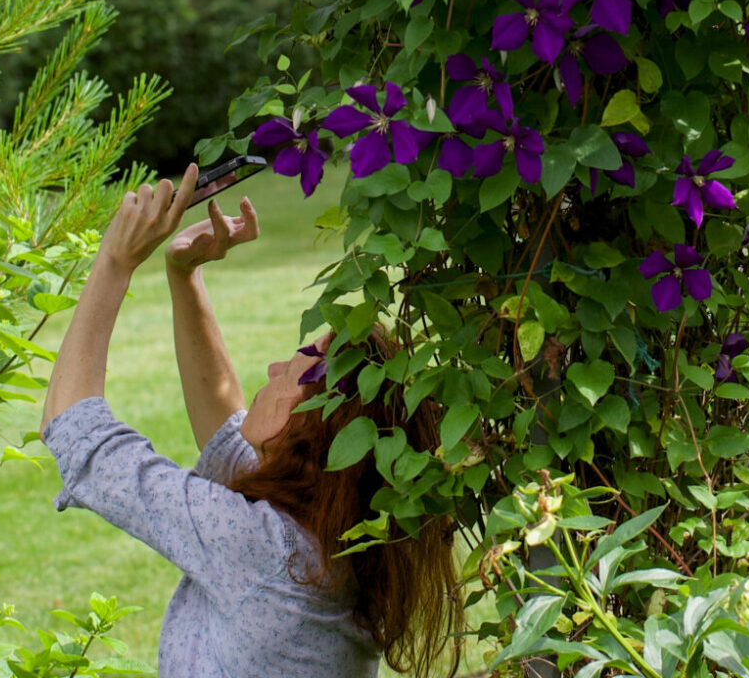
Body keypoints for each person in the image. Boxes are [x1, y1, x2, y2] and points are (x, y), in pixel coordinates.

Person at [39, 164, 463, 678]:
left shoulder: (268, 555)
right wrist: (184, 274)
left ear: (317, 436)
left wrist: (114, 261)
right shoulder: (336, 546)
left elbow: (78, 435)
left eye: (293, 371)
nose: (272, 370)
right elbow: (225, 429)